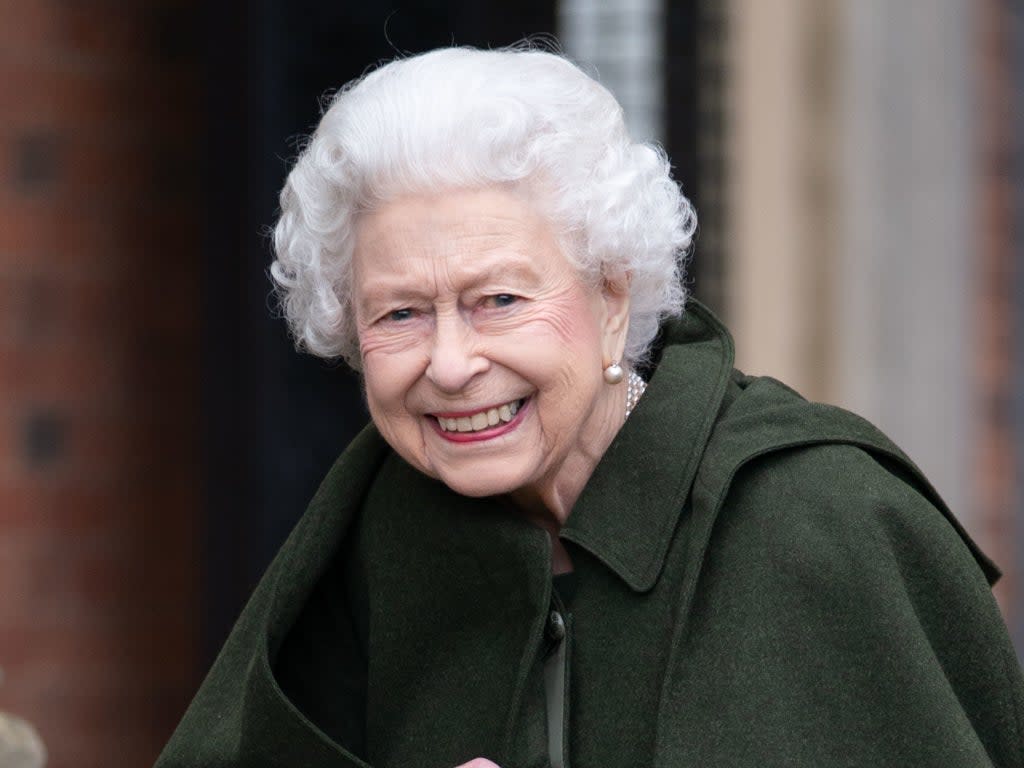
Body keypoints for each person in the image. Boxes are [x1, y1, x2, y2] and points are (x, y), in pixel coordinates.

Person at [155, 46, 1024, 768]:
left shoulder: (820, 520)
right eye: (400, 314)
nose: (451, 365)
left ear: (614, 298)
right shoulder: (376, 539)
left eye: (497, 300)